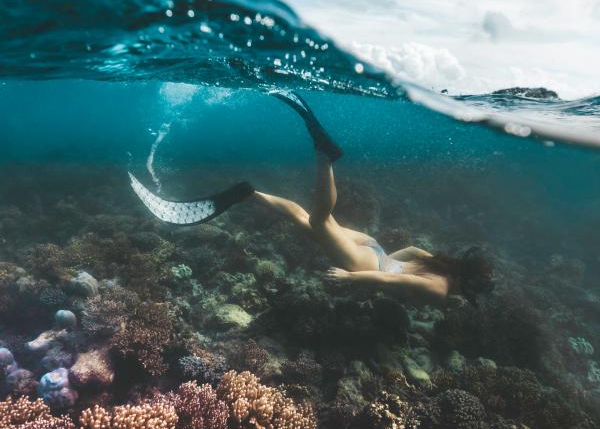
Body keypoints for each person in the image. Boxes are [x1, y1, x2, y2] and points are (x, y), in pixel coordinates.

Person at [129, 91, 495, 307]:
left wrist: (384, 258)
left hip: (375, 251)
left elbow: (413, 251)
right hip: (367, 263)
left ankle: (247, 193)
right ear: (470, 287)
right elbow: (389, 283)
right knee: (320, 221)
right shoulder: (441, 288)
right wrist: (353, 278)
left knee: (309, 222)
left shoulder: (442, 266)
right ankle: (325, 156)